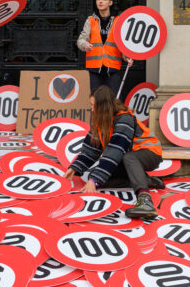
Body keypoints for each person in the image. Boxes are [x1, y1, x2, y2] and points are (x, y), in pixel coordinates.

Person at [63, 85, 164, 218]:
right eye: (91, 105)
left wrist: (94, 180)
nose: (91, 109)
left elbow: (114, 152)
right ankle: (143, 179)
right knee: (94, 176)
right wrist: (74, 169)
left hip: (150, 153)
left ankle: (145, 200)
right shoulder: (100, 121)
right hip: (127, 157)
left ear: (103, 107)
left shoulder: (124, 119)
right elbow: (90, 151)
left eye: (93, 106)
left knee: (127, 159)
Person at [77, 0, 133, 95]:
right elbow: (81, 40)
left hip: (113, 68)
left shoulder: (118, 20)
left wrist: (126, 57)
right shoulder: (90, 20)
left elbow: (123, 44)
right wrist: (84, 45)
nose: (100, 1)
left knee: (113, 101)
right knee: (96, 101)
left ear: (110, 3)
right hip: (95, 69)